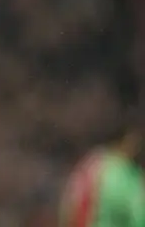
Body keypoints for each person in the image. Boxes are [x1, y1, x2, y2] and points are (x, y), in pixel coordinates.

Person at [59, 81, 145, 227]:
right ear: (131, 139)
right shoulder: (127, 176)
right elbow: (139, 217)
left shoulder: (88, 165)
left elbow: (69, 208)